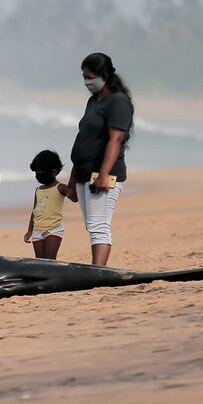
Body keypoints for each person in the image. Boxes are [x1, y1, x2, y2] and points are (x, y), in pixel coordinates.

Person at [67, 52, 133, 267]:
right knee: (91, 225)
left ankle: (98, 271)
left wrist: (104, 174)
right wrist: (72, 182)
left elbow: (116, 139)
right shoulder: (93, 101)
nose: (87, 81)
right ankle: (97, 269)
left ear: (104, 75)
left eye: (90, 76)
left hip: (104, 173)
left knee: (99, 226)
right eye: (84, 76)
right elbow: (83, 138)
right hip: (84, 172)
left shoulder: (118, 102)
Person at [24, 150, 73, 260]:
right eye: (36, 173)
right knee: (40, 260)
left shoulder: (60, 188)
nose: (38, 175)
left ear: (54, 171)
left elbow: (74, 197)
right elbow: (34, 211)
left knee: (50, 260)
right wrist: (30, 230)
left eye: (40, 172)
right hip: (37, 229)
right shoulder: (38, 190)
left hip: (54, 229)